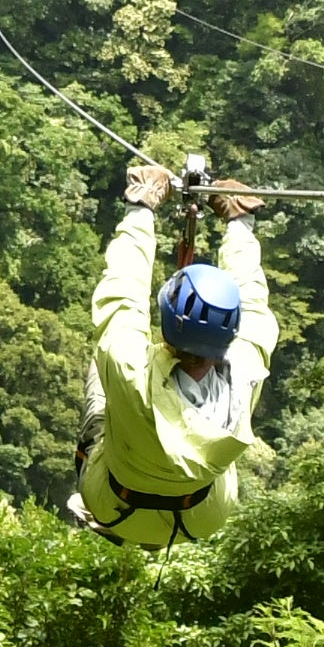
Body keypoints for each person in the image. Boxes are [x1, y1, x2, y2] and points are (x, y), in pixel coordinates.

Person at [67, 159, 279, 547]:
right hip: (202, 516)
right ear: (231, 331)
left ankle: (115, 486)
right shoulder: (248, 366)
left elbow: (124, 289)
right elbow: (251, 293)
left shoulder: (128, 365)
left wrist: (141, 208)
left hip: (114, 505)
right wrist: (239, 224)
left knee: (102, 371)